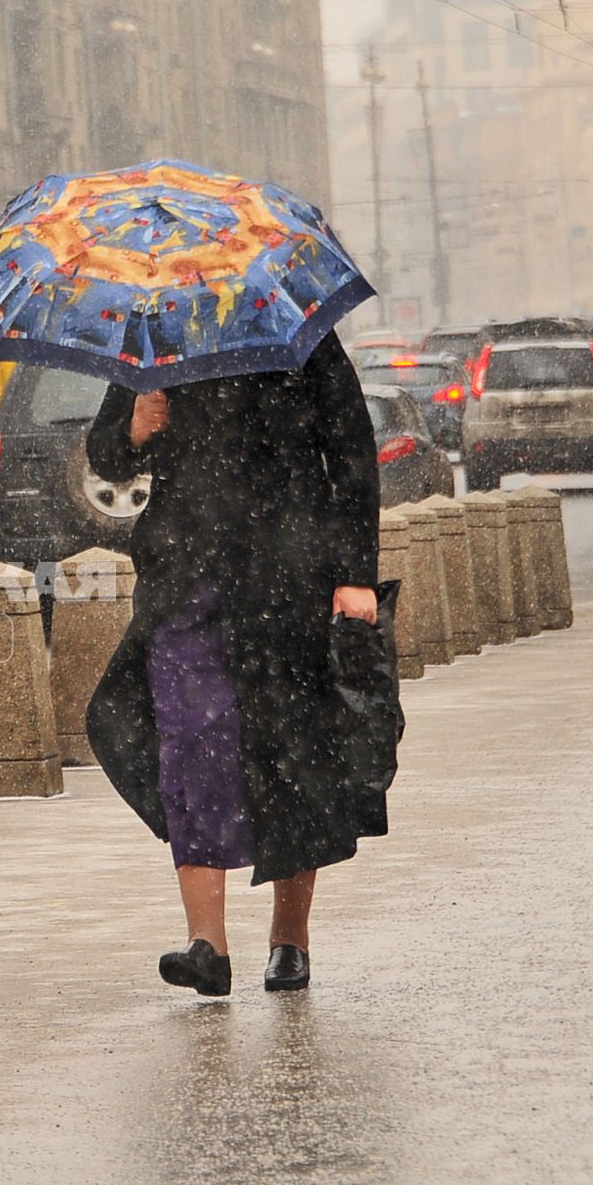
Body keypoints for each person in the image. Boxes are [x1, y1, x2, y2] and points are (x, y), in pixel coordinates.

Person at [83, 330, 384, 997]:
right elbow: (106, 456)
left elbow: (352, 453)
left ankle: (289, 940)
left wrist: (355, 572)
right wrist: (133, 428)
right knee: (192, 751)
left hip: (288, 580)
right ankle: (207, 945)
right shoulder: (153, 340)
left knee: (291, 756)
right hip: (186, 583)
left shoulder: (296, 335)